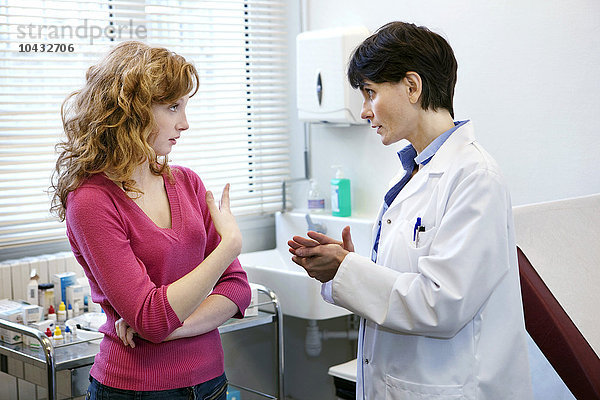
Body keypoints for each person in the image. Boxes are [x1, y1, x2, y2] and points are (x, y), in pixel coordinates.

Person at [288, 22, 533, 399]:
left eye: (370, 93)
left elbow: (441, 303)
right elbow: (403, 279)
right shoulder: (410, 173)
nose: (365, 112)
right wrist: (349, 265)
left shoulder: (474, 177)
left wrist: (347, 269)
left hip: (453, 386)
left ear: (412, 86)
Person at [51, 41, 251, 399]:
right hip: (137, 389)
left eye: (185, 107)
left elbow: (236, 288)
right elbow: (150, 317)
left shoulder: (187, 183)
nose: (185, 123)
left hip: (211, 380)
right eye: (173, 107)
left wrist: (172, 328)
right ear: (130, 111)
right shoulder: (92, 202)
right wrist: (228, 248)